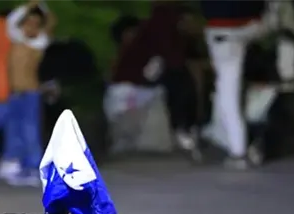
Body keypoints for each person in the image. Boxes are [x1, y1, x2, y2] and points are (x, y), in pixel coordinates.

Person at [111, 2, 200, 152]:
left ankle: (183, 127)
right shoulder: (162, 35)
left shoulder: (162, 35)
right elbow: (172, 64)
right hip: (132, 90)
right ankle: (182, 127)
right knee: (181, 81)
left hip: (140, 85)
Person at [200, 0, 268, 169]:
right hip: (250, 26)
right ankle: (223, 136)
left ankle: (238, 149)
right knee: (226, 87)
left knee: (227, 92)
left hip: (223, 30)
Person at [0, 0, 56, 186]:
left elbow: (50, 21)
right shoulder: (17, 39)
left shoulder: (39, 42)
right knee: (14, 127)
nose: (30, 27)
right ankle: (14, 163)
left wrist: (42, 6)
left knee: (30, 129)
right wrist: (30, 5)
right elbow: (11, 20)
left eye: (35, 24)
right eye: (27, 23)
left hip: (30, 93)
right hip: (15, 93)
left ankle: (33, 167)